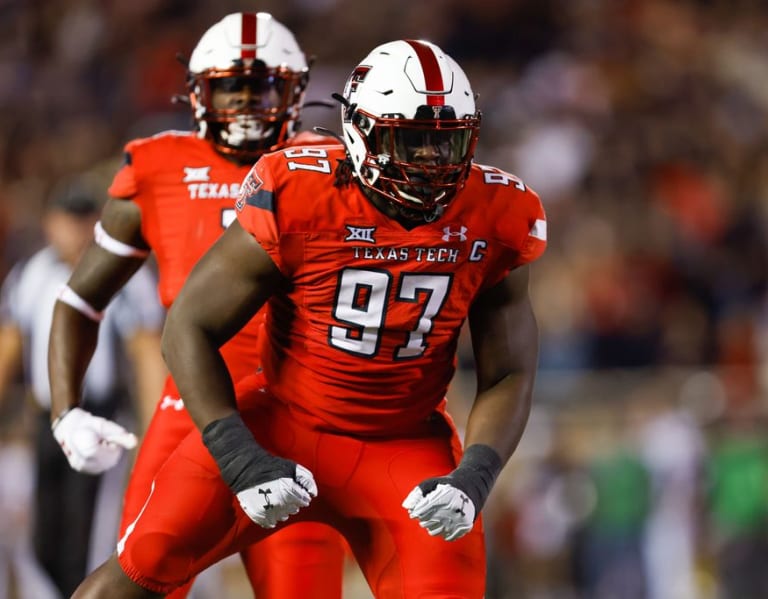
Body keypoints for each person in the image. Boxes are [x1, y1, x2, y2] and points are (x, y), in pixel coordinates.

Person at [68, 38, 547, 598]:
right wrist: (238, 455)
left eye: (447, 144)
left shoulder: (500, 212)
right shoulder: (298, 191)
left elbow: (509, 370)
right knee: (136, 575)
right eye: (410, 141)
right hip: (279, 425)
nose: (429, 163)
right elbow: (189, 326)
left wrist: (476, 474)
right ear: (361, 131)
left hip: (405, 447)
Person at [47, 11, 345, 599]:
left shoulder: (335, 168)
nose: (245, 103)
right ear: (197, 93)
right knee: (131, 588)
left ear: (294, 90)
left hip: (297, 418)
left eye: (262, 87)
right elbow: (81, 300)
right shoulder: (157, 167)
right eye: (230, 86)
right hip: (187, 410)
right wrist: (66, 410)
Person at [0, 180, 165, 598]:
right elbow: (11, 342)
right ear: (49, 223)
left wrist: (156, 433)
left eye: (82, 220)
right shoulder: (31, 272)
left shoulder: (123, 275)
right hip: (45, 420)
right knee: (43, 534)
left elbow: (145, 351)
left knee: (91, 535)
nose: (73, 231)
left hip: (101, 418)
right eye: (66, 220)